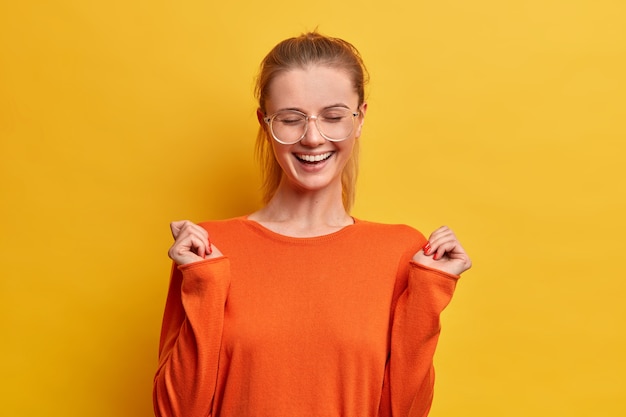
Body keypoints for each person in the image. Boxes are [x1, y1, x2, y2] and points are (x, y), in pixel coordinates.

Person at [153, 32, 472, 417]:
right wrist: (204, 285)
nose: (312, 138)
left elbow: (406, 411)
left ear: (360, 119)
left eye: (334, 117)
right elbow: (176, 412)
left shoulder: (402, 253)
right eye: (290, 120)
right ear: (264, 123)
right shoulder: (209, 248)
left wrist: (429, 294)